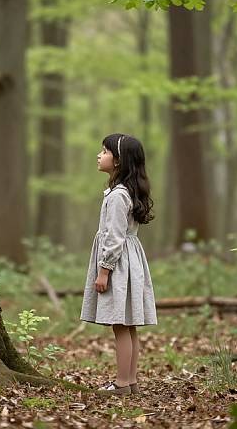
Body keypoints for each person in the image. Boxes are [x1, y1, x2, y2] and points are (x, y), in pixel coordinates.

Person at [80, 133, 157, 396]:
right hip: (130, 259)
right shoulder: (127, 192)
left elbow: (113, 238)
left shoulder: (117, 196)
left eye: (104, 151)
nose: (99, 155)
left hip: (118, 264)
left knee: (120, 326)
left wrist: (104, 271)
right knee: (128, 326)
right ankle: (131, 380)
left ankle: (122, 383)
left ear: (119, 160)